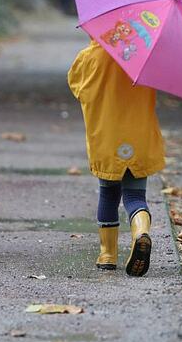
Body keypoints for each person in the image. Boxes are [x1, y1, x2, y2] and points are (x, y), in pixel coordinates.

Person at [67, 39, 165, 277]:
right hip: (140, 136)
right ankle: (141, 231)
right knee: (135, 196)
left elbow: (77, 87)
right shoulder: (145, 56)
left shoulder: (89, 57)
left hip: (107, 137)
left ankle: (107, 255)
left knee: (109, 194)